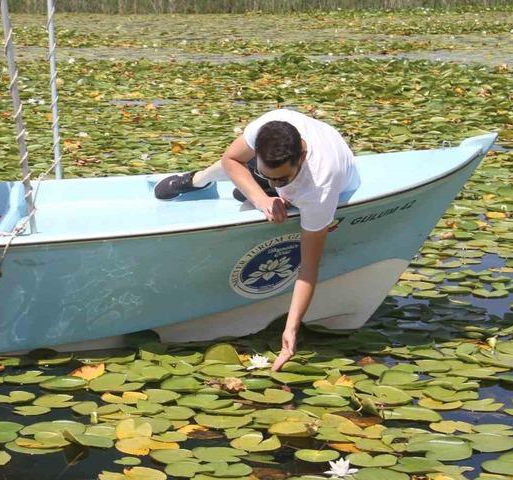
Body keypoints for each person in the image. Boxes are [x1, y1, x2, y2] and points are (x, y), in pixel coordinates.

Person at [154, 109, 360, 371]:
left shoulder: (319, 188)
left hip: (335, 180)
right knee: (244, 170)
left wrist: (291, 328)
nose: (276, 184)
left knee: (277, 194)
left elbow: (308, 267)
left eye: (282, 179)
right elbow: (231, 158)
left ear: (302, 158)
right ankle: (198, 180)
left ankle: (255, 187)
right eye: (269, 178)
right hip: (281, 168)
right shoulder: (268, 126)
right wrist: (262, 198)